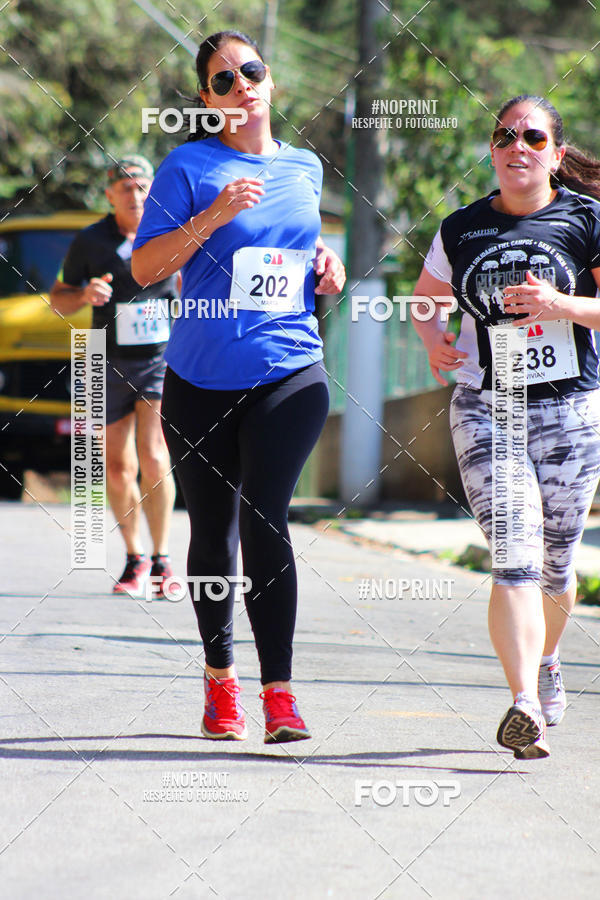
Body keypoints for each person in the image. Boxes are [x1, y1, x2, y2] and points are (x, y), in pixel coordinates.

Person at [131, 31, 345, 743]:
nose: (241, 85)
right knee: (213, 534)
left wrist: (326, 269)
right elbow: (146, 268)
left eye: (251, 71)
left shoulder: (307, 166)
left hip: (288, 365)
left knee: (265, 518)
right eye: (223, 80)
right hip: (198, 379)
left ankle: (280, 695)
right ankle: (220, 678)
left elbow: (289, 246)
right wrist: (214, 214)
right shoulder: (188, 165)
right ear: (206, 99)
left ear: (271, 79)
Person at [411, 95, 600, 759]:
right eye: (504, 135)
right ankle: (523, 704)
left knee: (555, 563)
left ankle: (549, 660)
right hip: (489, 404)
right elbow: (424, 301)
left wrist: (560, 305)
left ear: (554, 151)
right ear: (492, 151)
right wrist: (435, 340)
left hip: (571, 409)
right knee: (513, 555)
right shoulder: (461, 228)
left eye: (532, 135)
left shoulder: (586, 220)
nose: (516, 145)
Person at [50, 156, 178, 597]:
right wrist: (84, 292)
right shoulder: (90, 241)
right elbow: (58, 300)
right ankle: (134, 556)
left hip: (160, 358)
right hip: (104, 358)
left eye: (142, 185)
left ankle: (162, 559)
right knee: (118, 467)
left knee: (154, 452)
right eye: (124, 187)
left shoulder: (167, 230)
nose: (134, 193)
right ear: (108, 194)